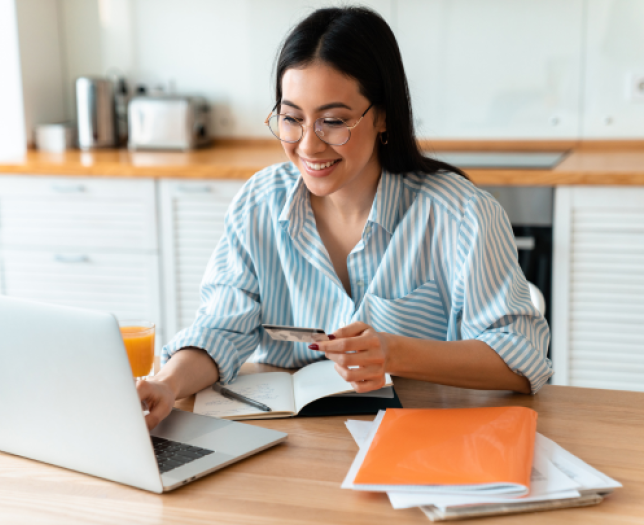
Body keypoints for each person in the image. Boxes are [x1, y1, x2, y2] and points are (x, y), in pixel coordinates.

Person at [138, 6, 552, 430]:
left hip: (420, 438)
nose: (308, 147)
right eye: (292, 119)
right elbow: (221, 330)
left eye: (333, 121)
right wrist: (167, 384)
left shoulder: (462, 215)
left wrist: (392, 352)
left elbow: (522, 359)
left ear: (384, 115)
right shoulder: (258, 203)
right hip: (291, 446)